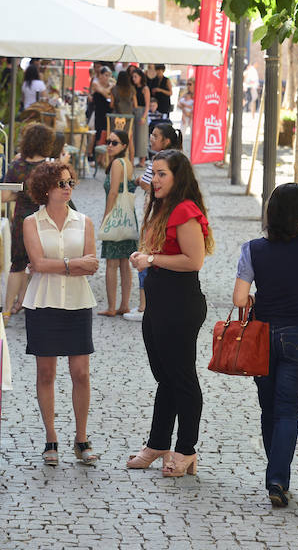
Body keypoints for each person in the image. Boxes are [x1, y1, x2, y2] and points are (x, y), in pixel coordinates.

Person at [232, 183, 298, 507]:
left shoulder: (253, 248)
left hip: (263, 338)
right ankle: (277, 479)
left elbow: (239, 299)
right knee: (288, 411)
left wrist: (256, 296)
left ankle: (276, 474)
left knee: (269, 409)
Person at [126, 149, 212, 476]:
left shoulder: (185, 210)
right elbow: (158, 252)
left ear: (178, 177)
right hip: (160, 302)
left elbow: (194, 260)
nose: (155, 180)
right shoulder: (161, 207)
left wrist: (152, 260)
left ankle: (186, 449)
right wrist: (144, 256)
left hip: (181, 303)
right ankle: (158, 443)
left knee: (183, 379)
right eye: (154, 173)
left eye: (162, 174)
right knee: (166, 377)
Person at [21, 161, 99, 466]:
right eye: (61, 184)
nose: (67, 188)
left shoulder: (84, 221)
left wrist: (63, 265)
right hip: (44, 302)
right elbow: (37, 264)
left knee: (81, 373)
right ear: (46, 189)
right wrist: (71, 264)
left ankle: (81, 438)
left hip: (78, 303)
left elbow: (92, 264)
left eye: (70, 183)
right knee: (46, 373)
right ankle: (50, 437)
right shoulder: (32, 223)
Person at [123, 123, 183, 321]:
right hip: (158, 214)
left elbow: (152, 187)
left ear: (166, 140)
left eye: (155, 135)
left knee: (147, 255)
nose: (151, 138)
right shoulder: (175, 159)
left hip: (156, 215)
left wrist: (141, 181)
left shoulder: (162, 160)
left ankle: (144, 306)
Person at [1, 122, 53, 321]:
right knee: (40, 264)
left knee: (18, 264)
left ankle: (6, 310)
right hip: (44, 219)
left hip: (22, 219)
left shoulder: (17, 165)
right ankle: (33, 305)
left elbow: (4, 196)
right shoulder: (49, 168)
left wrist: (22, 195)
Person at [99, 130, 136, 317]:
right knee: (124, 263)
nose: (110, 145)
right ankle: (124, 304)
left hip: (116, 217)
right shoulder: (127, 163)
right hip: (128, 218)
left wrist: (106, 218)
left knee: (112, 263)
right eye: (108, 141)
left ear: (123, 146)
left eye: (114, 142)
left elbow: (113, 193)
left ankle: (112, 306)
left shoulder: (115, 163)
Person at [131, 69, 151, 164]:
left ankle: (142, 160)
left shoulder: (145, 88)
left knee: (142, 136)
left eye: (136, 76)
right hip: (134, 111)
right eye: (133, 77)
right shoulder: (133, 88)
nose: (133, 79)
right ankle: (137, 159)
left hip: (142, 111)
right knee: (135, 135)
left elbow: (147, 105)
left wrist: (144, 117)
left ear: (140, 77)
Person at [90, 67, 112, 149]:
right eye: (106, 75)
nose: (107, 78)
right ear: (100, 75)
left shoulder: (109, 85)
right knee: (98, 133)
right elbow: (105, 94)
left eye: (109, 76)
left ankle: (102, 157)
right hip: (98, 112)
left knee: (106, 133)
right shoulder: (96, 83)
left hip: (107, 112)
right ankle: (94, 153)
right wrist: (110, 88)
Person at [177, 78, 195, 157]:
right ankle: (180, 151)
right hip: (185, 116)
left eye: (190, 84)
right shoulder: (185, 94)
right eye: (187, 84)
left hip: (193, 117)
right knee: (182, 134)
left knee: (193, 136)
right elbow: (179, 104)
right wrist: (184, 108)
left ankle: (193, 154)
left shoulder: (197, 94)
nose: (188, 86)